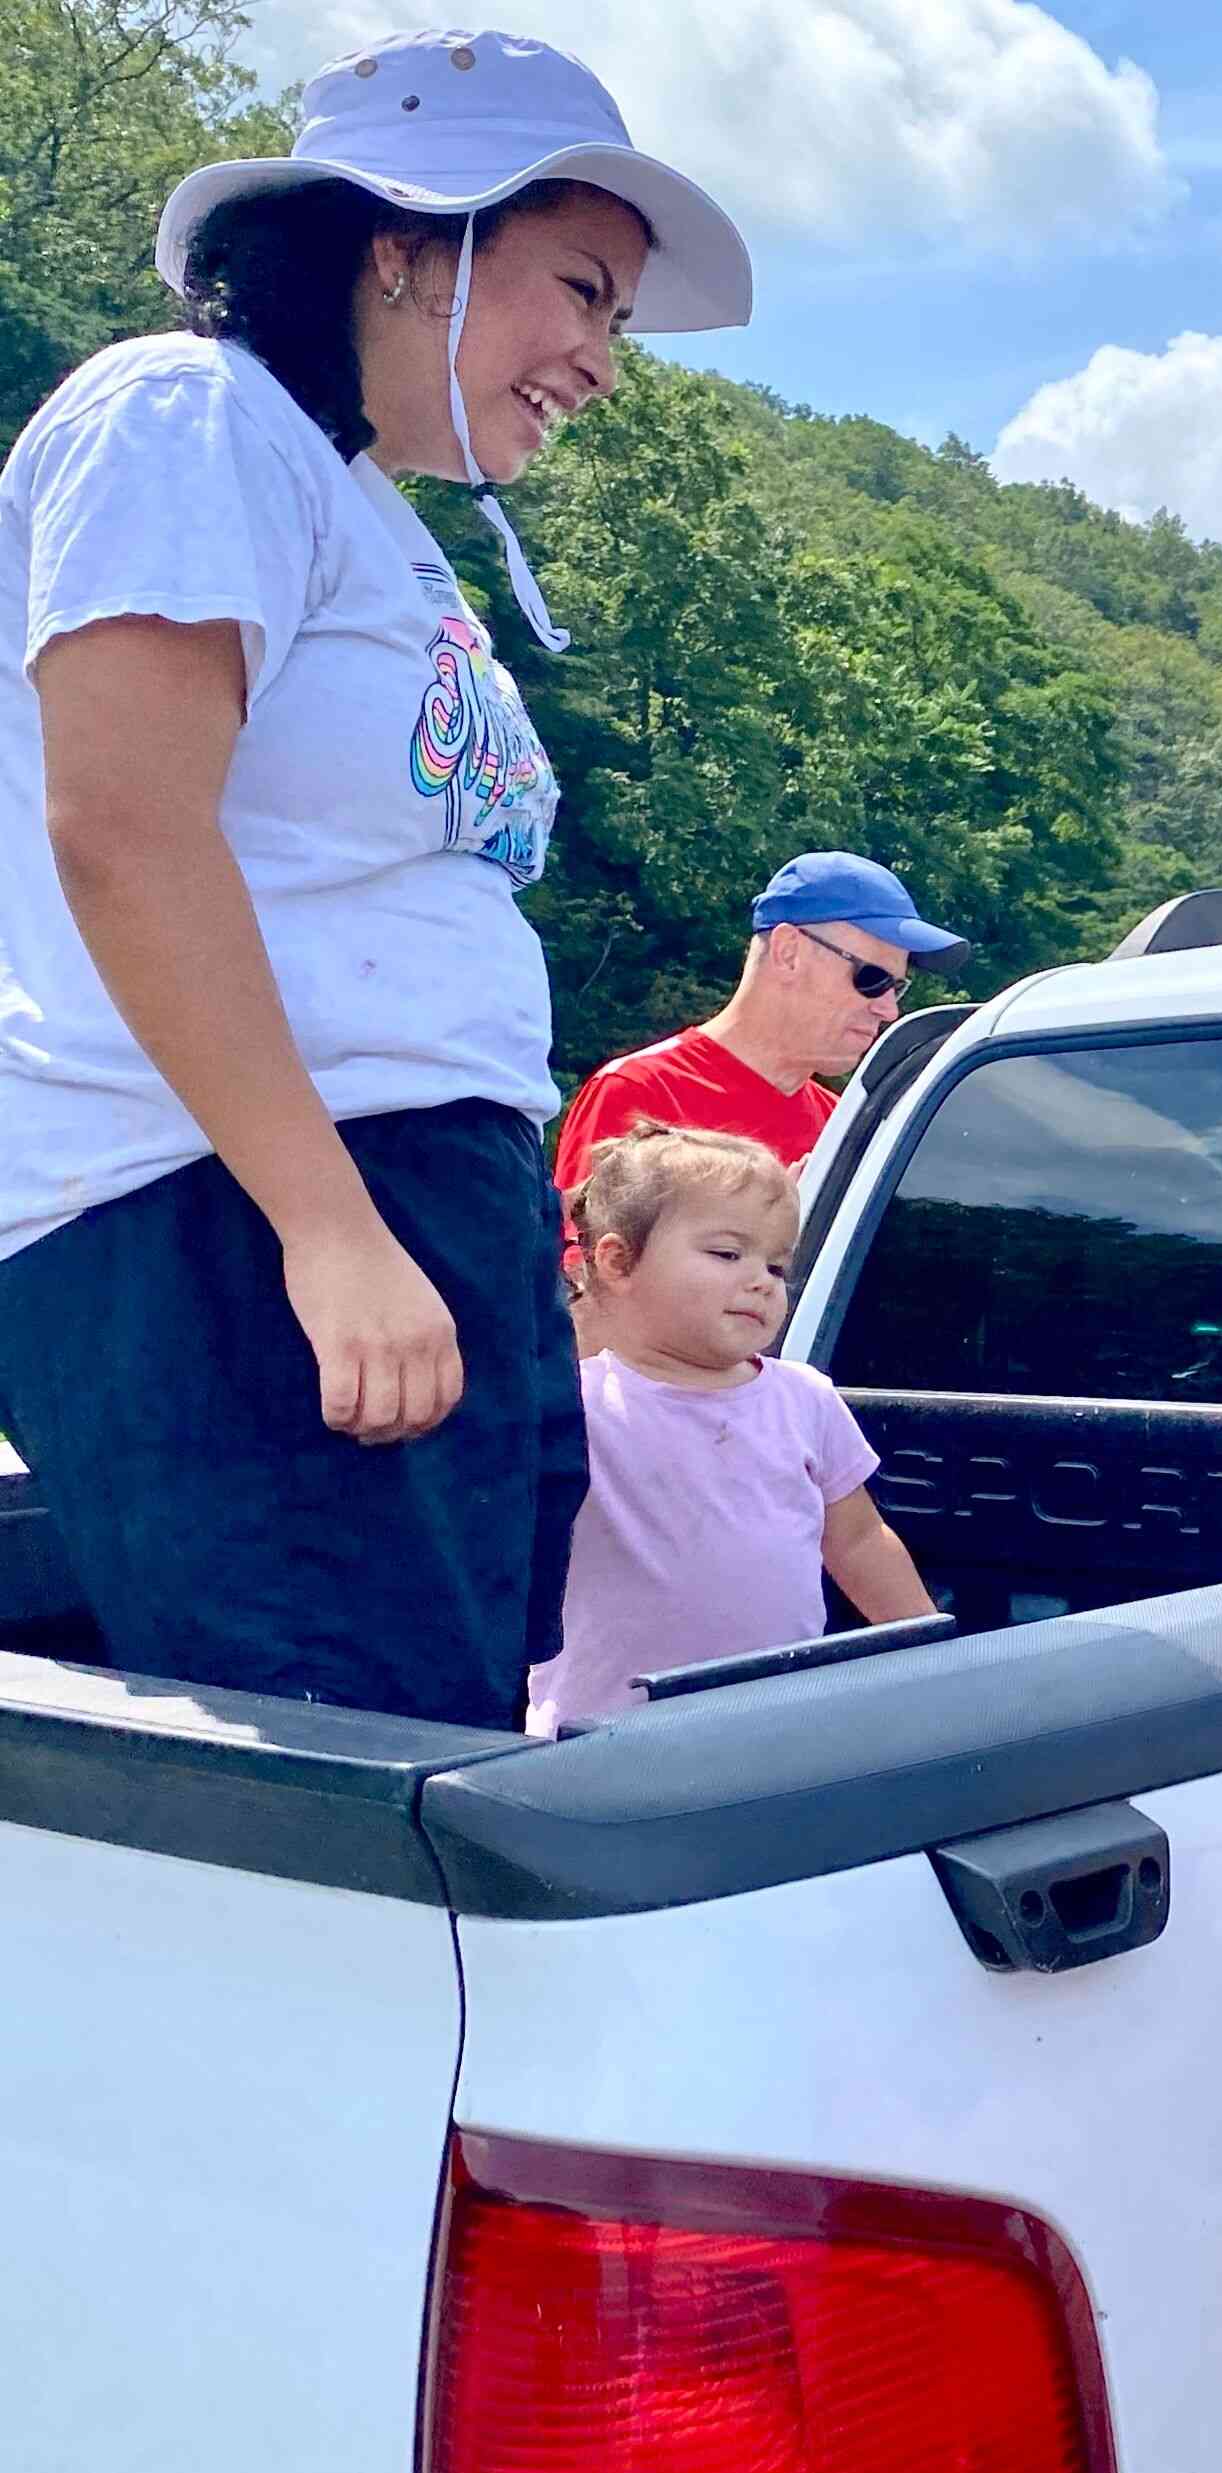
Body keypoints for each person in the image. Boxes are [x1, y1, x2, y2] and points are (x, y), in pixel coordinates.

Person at [0, 31, 749, 1726]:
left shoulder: (360, 507)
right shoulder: (186, 414)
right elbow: (124, 824)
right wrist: (328, 1228)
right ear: (406, 243)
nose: (600, 361)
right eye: (581, 289)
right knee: (358, 1773)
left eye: (620, 319)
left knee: (452, 1727)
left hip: (411, 1195)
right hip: (222, 1210)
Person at [529, 1124, 933, 1733]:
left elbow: (857, 1540)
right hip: (600, 1738)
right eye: (726, 1254)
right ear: (617, 1261)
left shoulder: (804, 1398)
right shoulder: (574, 1404)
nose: (761, 1281)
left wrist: (929, 1650)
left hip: (774, 1732)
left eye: (777, 1265)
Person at [549, 851, 969, 1200]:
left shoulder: (842, 1127)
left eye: (897, 988)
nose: (888, 1010)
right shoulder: (640, 1093)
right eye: (872, 979)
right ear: (788, 951)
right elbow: (586, 1267)